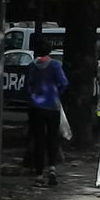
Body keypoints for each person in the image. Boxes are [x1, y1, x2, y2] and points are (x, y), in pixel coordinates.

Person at [27, 38, 68, 186]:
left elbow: (28, 85)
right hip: (52, 106)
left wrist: (33, 96)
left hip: (35, 106)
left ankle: (38, 174)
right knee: (52, 138)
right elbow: (64, 82)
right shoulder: (55, 65)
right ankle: (52, 168)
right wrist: (57, 93)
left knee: (39, 140)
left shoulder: (32, 66)